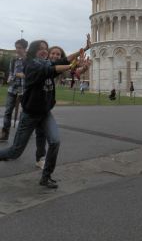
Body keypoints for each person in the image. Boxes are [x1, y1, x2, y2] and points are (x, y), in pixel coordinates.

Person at [0, 40, 90, 188]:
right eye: (41, 49)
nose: (45, 51)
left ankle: (46, 177)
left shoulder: (45, 62)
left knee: (55, 141)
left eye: (46, 49)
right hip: (30, 114)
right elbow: (51, 70)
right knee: (14, 152)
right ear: (34, 50)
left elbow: (62, 60)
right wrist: (73, 66)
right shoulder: (31, 65)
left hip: (45, 113)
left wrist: (84, 48)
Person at [35, 37, 91, 170]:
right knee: (18, 147)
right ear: (48, 54)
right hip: (32, 106)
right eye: (53, 53)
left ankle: (40, 159)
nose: (55, 55)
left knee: (42, 134)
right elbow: (67, 65)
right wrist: (81, 54)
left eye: (58, 54)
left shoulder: (57, 67)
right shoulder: (42, 64)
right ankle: (37, 157)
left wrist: (83, 68)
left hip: (44, 107)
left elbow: (72, 72)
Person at [0, 39, 28, 142]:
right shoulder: (14, 60)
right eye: (16, 47)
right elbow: (11, 73)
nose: (17, 50)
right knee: (8, 111)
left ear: (25, 48)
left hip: (25, 90)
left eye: (19, 48)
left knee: (24, 112)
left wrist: (19, 75)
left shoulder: (29, 61)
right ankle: (5, 133)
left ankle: (22, 134)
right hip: (13, 89)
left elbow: (30, 75)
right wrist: (10, 78)